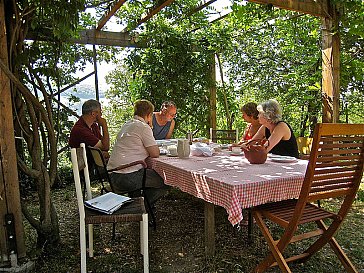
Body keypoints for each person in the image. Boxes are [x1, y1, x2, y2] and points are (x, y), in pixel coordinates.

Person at [107, 99, 168, 207]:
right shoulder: (143, 127)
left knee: (145, 174)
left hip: (112, 175)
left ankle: (138, 203)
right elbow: (155, 153)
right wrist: (150, 128)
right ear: (149, 115)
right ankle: (142, 206)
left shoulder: (127, 124)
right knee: (166, 180)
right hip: (126, 177)